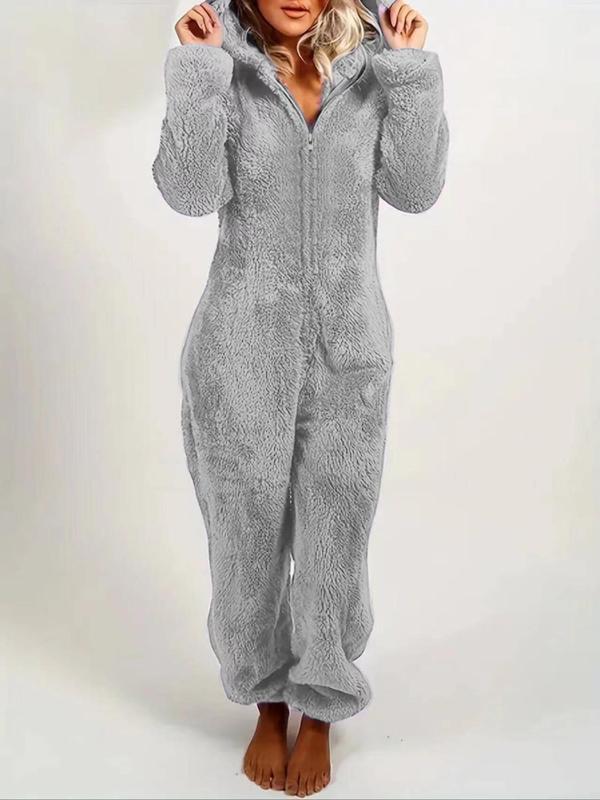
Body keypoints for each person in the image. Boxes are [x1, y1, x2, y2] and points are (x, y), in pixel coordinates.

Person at [152, 0, 449, 793]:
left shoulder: (371, 72)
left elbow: (416, 189)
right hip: (238, 349)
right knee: (244, 540)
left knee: (336, 537)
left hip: (350, 352)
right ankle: (265, 700)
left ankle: (319, 705)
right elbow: (189, 192)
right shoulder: (227, 71)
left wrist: (411, 73)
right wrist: (200, 72)